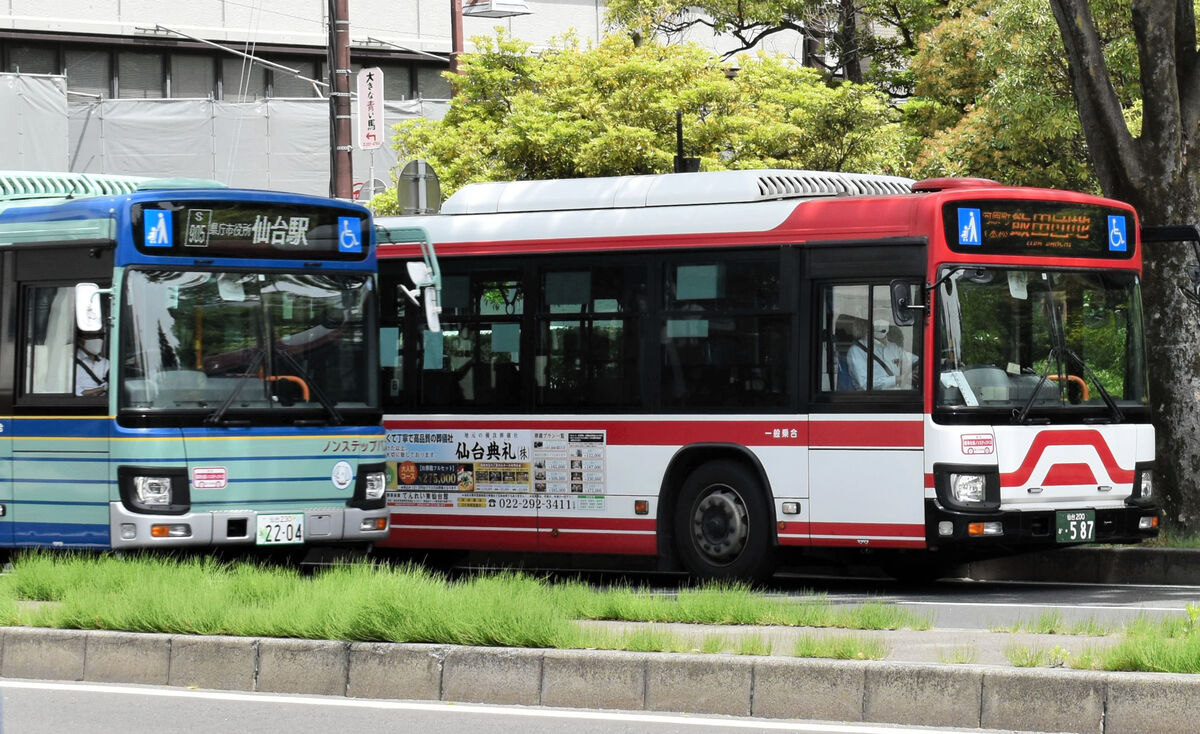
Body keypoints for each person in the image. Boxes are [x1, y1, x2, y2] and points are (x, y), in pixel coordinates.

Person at [848, 319, 916, 390]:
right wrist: (899, 378)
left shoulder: (893, 347)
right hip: (875, 398)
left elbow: (914, 360)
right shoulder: (857, 351)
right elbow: (865, 384)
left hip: (899, 395)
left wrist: (917, 369)